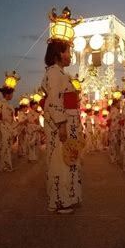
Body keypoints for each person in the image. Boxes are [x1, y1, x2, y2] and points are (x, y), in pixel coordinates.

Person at [41, 40, 82, 214]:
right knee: (60, 162)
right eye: (68, 51)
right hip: (61, 125)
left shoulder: (59, 73)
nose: (70, 55)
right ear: (59, 54)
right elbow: (55, 100)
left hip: (67, 123)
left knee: (65, 161)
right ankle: (59, 201)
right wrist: (62, 125)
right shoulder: (54, 73)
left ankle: (65, 197)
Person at [0, 86, 16, 172]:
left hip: (9, 126)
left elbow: (12, 118)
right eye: (11, 93)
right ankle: (5, 166)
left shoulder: (9, 104)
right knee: (4, 146)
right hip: (4, 126)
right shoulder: (1, 104)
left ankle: (5, 165)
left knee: (7, 146)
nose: (12, 95)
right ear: (7, 94)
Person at [108, 99, 122, 164]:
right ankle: (114, 158)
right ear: (116, 103)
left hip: (113, 128)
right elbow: (116, 120)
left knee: (113, 143)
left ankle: (113, 157)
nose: (120, 104)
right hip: (115, 128)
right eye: (119, 103)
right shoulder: (115, 110)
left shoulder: (112, 110)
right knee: (115, 143)